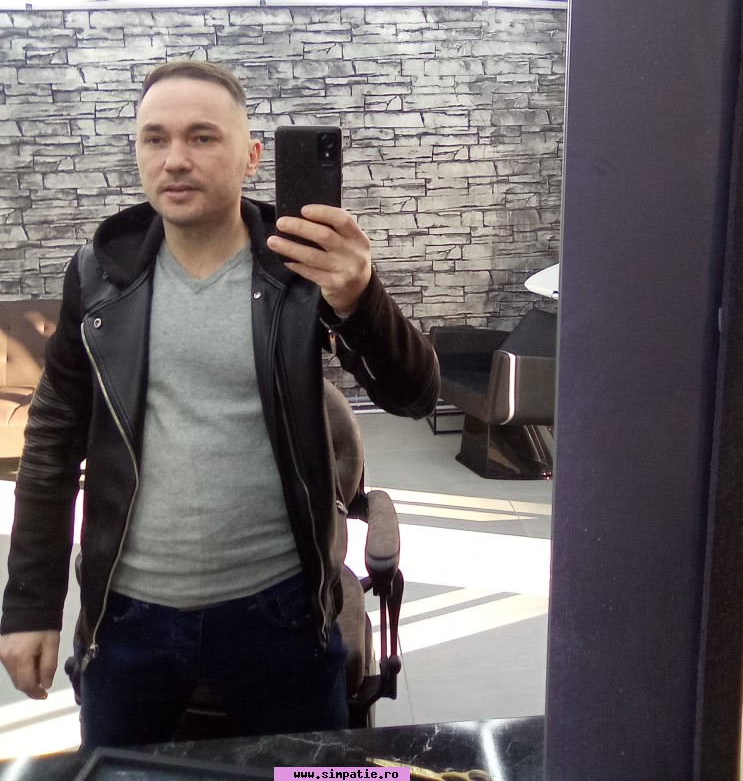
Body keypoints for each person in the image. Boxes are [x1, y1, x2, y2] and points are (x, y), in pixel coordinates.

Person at [0, 60, 439, 748]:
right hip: (128, 615)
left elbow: (413, 395)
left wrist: (361, 299)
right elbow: (52, 442)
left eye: (202, 137)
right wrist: (31, 604)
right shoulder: (100, 274)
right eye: (155, 138)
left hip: (282, 611)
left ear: (251, 156)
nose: (175, 159)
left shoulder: (299, 267)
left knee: (307, 772)